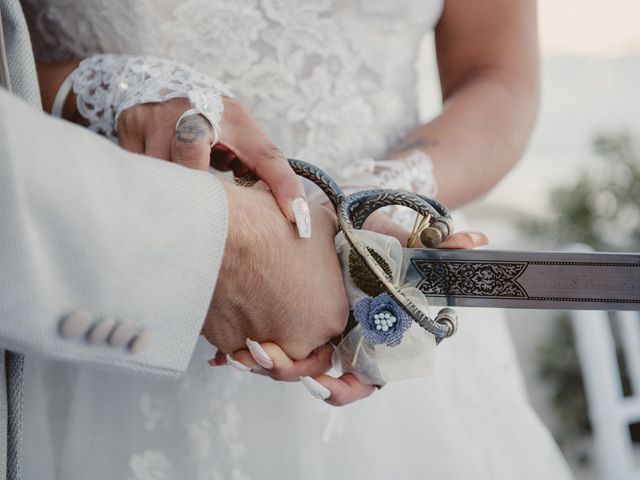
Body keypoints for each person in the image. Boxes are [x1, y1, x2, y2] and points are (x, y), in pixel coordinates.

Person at [20, 0, 574, 479]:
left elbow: (499, 76)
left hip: (378, 282)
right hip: (107, 307)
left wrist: (371, 203)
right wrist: (108, 88)